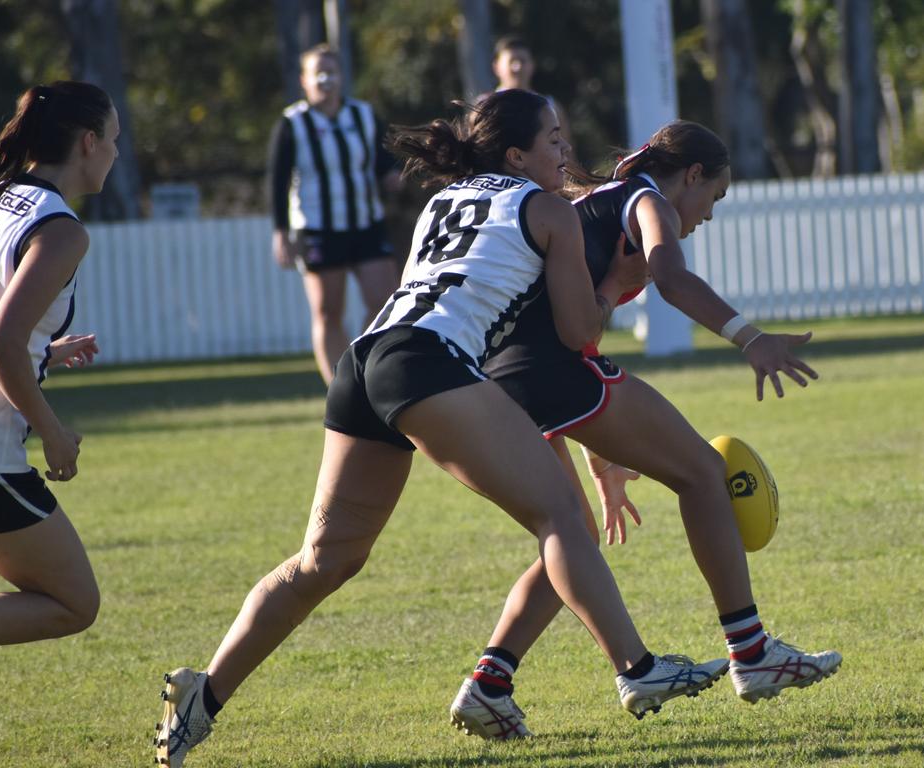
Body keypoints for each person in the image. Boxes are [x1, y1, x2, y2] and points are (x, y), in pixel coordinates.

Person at [154, 91, 727, 768]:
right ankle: (637, 667)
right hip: (427, 365)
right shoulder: (547, 210)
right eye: (551, 139)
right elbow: (578, 333)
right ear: (517, 155)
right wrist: (616, 285)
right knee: (563, 517)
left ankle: (204, 694)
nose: (564, 151)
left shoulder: (445, 200)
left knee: (324, 561)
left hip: (364, 360)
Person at [449, 120, 843, 739]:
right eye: (713, 197)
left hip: (498, 378)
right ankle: (752, 652)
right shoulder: (645, 199)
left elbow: (571, 322)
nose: (708, 215)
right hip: (543, 370)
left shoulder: (594, 206)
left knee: (569, 538)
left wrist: (603, 466)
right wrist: (751, 337)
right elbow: (668, 274)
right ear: (691, 177)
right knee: (703, 473)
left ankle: (489, 684)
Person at [0, 81, 119, 677]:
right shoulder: (62, 231)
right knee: (73, 603)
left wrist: (45, 353)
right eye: (114, 140)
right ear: (88, 143)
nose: (117, 152)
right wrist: (54, 433)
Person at [269, 43, 402, 385]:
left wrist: (394, 176)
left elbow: (384, 160)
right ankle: (339, 388)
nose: (326, 80)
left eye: (332, 72)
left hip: (365, 222)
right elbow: (277, 180)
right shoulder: (292, 123)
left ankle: (361, 368)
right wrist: (281, 232)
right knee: (329, 312)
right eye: (319, 73)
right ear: (305, 80)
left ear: (343, 77)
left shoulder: (362, 115)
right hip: (318, 228)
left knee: (386, 301)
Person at [483, 35, 572, 146]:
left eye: (523, 61)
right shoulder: (485, 107)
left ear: (532, 65)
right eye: (512, 61)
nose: (518, 67)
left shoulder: (551, 107)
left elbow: (566, 156)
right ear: (496, 67)